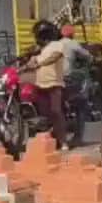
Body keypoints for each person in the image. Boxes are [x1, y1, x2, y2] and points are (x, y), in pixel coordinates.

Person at [25, 21, 69, 149]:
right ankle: (51, 139)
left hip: (54, 84)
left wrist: (40, 63)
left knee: (56, 112)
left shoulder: (57, 45)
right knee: (44, 115)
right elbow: (29, 64)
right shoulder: (39, 51)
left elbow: (55, 56)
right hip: (40, 86)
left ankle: (63, 141)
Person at [60, 25, 95, 147]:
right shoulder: (73, 44)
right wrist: (91, 58)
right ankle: (78, 137)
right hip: (68, 78)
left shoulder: (56, 44)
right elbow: (87, 56)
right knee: (81, 104)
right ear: (72, 34)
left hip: (56, 79)